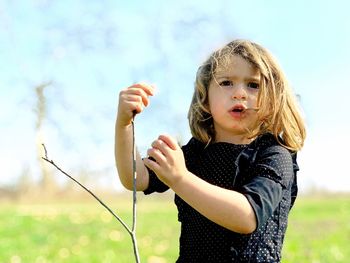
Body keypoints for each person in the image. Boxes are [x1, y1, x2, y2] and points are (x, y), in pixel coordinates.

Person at [115, 39, 306, 262]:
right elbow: (136, 178)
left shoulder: (273, 154)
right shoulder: (197, 152)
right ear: (205, 98)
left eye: (253, 85)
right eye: (226, 83)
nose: (239, 93)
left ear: (273, 99)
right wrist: (123, 125)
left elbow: (246, 217)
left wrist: (180, 179)